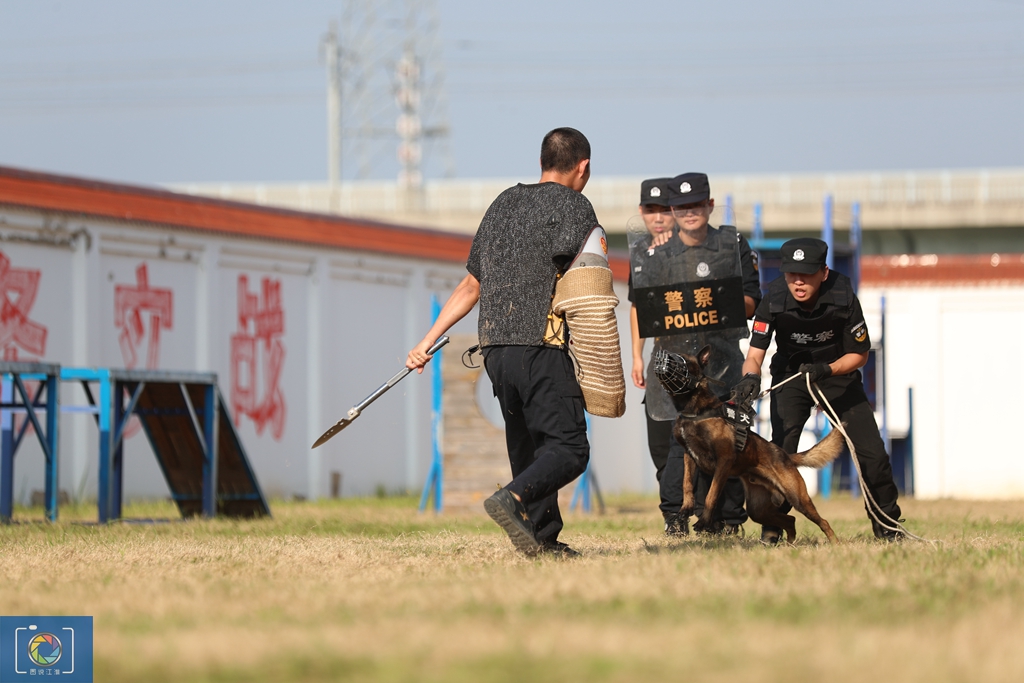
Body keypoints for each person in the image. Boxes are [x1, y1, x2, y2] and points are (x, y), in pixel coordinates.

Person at [406, 127, 606, 558]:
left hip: (495, 349)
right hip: (541, 344)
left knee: (529, 446)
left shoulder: (503, 204)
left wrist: (426, 341)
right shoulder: (575, 205)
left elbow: (471, 284)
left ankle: (540, 540)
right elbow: (591, 280)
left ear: (541, 162)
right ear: (582, 167)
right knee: (569, 447)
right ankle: (511, 499)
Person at [732, 237, 905, 543]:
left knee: (873, 454)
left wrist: (829, 369)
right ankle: (774, 529)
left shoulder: (843, 294)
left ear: (823, 272)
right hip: (791, 376)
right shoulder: (772, 297)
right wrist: (750, 378)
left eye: (806, 274)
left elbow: (860, 354)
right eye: (791, 274)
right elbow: (755, 355)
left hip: (838, 373)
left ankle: (888, 527)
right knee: (779, 454)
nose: (798, 281)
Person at [628, 172, 761, 536]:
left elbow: (752, 302)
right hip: (673, 367)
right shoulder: (652, 252)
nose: (690, 213)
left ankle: (729, 521)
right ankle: (677, 518)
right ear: (673, 210)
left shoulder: (731, 244)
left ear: (710, 205)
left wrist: (717, 297)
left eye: (697, 205)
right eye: (682, 207)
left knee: (728, 442)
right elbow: (641, 305)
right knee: (677, 445)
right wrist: (638, 356)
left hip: (721, 365)